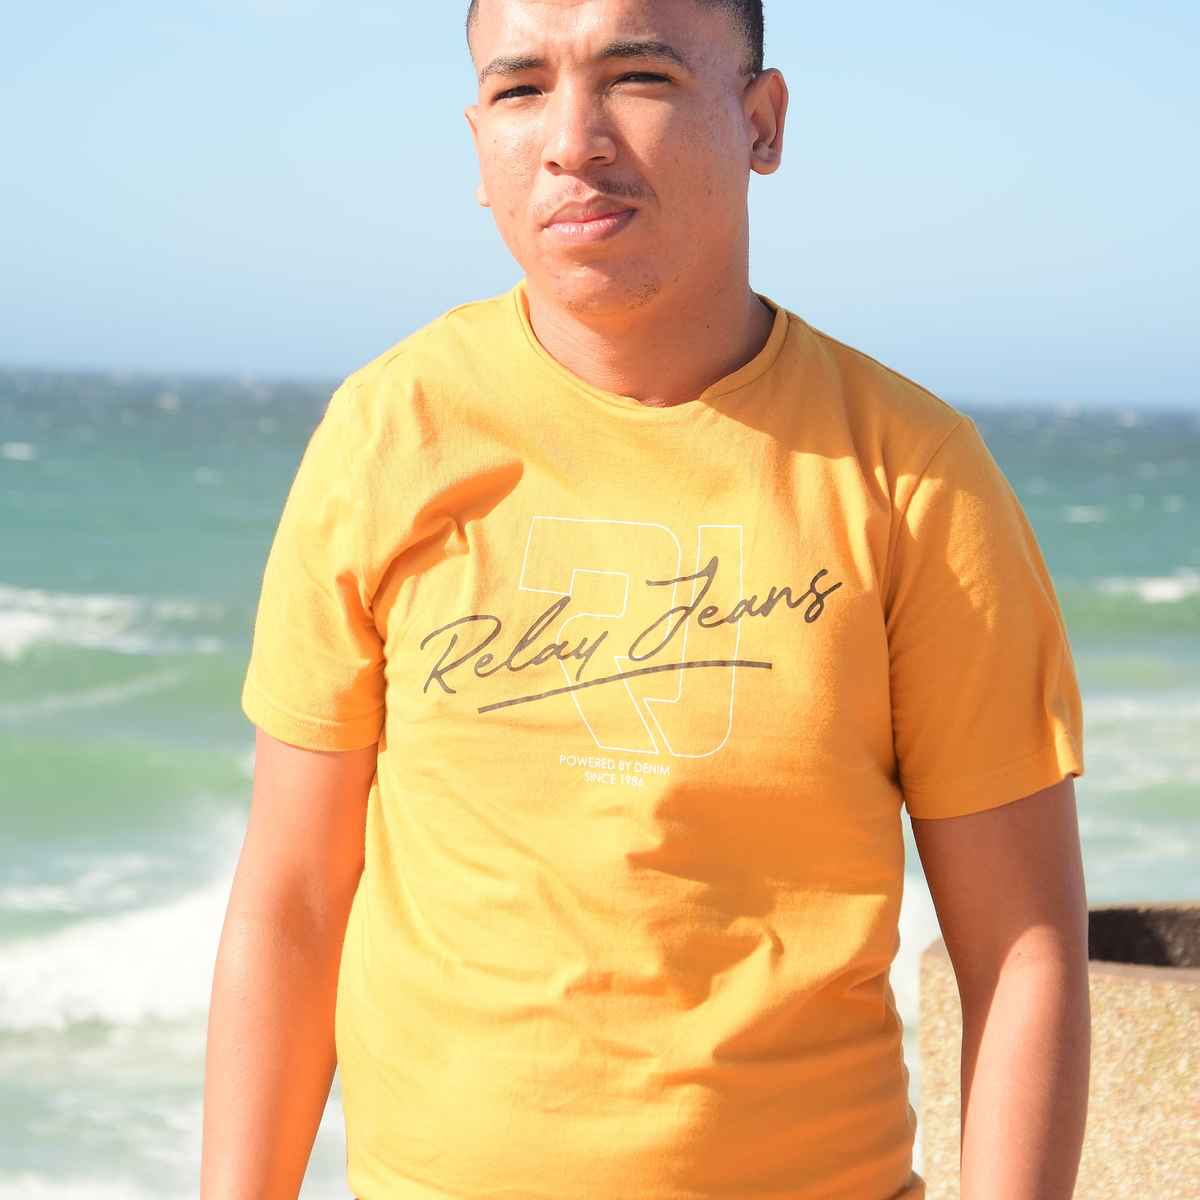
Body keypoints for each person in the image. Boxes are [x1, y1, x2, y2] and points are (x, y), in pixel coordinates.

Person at [201, 1, 1092, 1197]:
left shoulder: (912, 475)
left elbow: (1024, 950)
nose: (572, 141)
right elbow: (294, 904)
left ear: (762, 122)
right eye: (520, 90)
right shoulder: (387, 434)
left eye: (638, 77)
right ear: (477, 144)